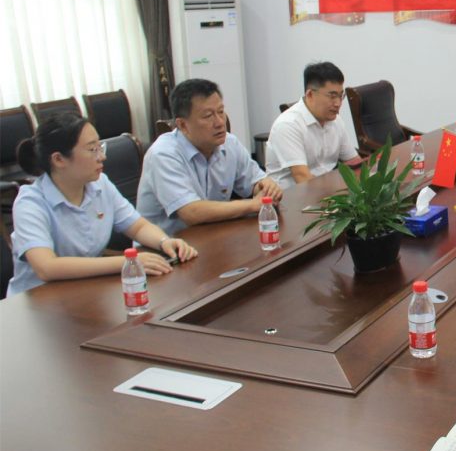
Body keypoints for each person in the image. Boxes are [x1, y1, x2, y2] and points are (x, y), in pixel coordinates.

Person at [7, 113, 197, 296]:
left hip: (84, 290)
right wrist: (128, 262)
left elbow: (137, 226)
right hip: (39, 302)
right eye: (92, 149)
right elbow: (47, 267)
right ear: (59, 159)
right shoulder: (30, 203)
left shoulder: (100, 184)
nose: (102, 156)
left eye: (100, 146)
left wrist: (164, 242)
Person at [136, 79, 282, 235]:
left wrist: (266, 187)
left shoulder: (229, 143)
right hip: (165, 246)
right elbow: (191, 212)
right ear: (183, 125)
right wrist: (253, 204)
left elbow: (255, 182)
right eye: (208, 116)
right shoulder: (163, 154)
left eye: (221, 112)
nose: (219, 122)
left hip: (212, 235)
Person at [265, 62, 362, 190]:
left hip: (327, 189)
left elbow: (354, 162)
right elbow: (303, 178)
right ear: (310, 94)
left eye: (340, 96)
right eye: (332, 96)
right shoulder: (288, 125)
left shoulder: (336, 120)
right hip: (291, 196)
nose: (338, 103)